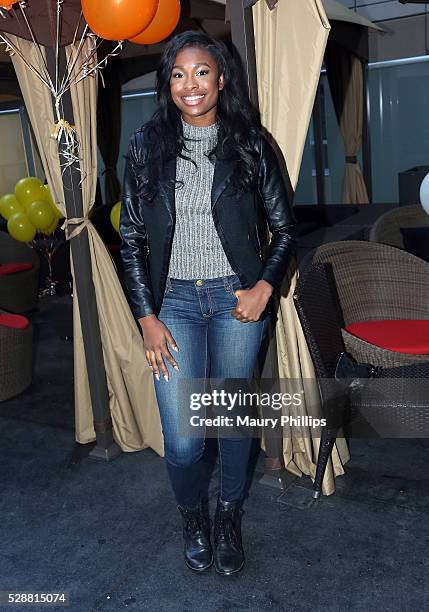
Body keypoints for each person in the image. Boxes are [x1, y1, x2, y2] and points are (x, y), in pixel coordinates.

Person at [120, 30, 296, 576]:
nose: (189, 85)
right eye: (178, 74)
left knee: (236, 423)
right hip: (170, 304)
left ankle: (229, 513)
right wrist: (146, 317)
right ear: (166, 83)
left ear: (222, 79)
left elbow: (285, 229)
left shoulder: (251, 143)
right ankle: (192, 514)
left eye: (201, 73)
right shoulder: (147, 145)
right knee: (183, 440)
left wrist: (264, 286)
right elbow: (130, 238)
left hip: (234, 299)